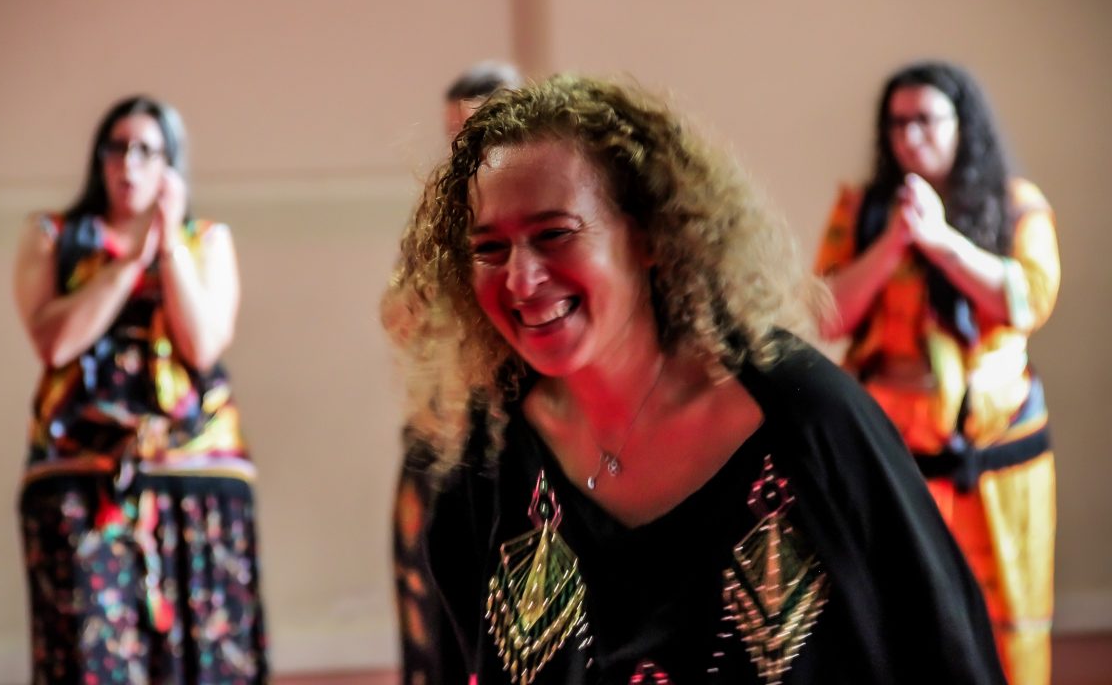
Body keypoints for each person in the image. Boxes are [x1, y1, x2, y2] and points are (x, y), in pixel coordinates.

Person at [384, 74, 1006, 684]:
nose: (521, 279)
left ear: (650, 237)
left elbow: (948, 654)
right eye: (490, 249)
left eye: (554, 234)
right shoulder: (486, 452)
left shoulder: (810, 419)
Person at [815, 61, 1059, 685]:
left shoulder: (1017, 205)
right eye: (897, 124)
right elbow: (828, 315)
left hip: (994, 454)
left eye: (925, 120)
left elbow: (1029, 301)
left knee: (1007, 620)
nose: (909, 137)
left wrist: (943, 242)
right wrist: (894, 242)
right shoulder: (862, 210)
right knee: (897, 618)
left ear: (962, 125)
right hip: (891, 450)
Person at [13, 96, 267, 683]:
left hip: (197, 470)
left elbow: (203, 346)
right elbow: (55, 343)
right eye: (117, 149)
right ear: (99, 159)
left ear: (170, 164)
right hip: (80, 469)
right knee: (93, 653)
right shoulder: (54, 236)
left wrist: (168, 241)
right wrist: (130, 263)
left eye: (146, 151)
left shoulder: (206, 239)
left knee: (204, 653)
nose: (128, 164)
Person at [387, 61, 523, 685]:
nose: (463, 148)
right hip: (440, 441)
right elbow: (398, 317)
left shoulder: (538, 213)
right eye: (454, 133)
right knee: (434, 625)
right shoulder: (438, 219)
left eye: (479, 130)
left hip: (511, 442)